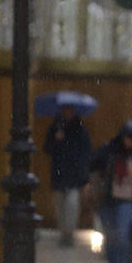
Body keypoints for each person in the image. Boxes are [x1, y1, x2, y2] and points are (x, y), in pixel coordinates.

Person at [89, 121, 132, 263]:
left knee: (122, 234)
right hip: (107, 199)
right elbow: (92, 164)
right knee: (110, 237)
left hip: (127, 200)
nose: (129, 142)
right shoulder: (109, 151)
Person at [44, 104, 92, 247]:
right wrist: (56, 140)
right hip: (59, 173)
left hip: (74, 175)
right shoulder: (55, 128)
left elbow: (86, 154)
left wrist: (85, 178)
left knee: (71, 205)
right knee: (59, 206)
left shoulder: (81, 131)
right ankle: (63, 232)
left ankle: (68, 234)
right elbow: (47, 148)